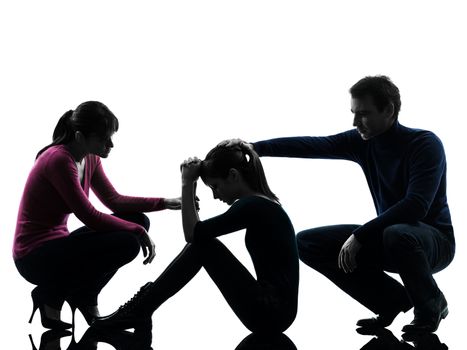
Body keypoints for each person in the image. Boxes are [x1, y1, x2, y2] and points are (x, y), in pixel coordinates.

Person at [222, 76, 455, 333]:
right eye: (354, 113)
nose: (355, 122)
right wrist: (255, 148)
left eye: (364, 114)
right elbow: (313, 145)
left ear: (389, 110)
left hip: (434, 243)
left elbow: (416, 206)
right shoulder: (361, 142)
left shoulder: (424, 144)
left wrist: (360, 235)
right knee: (307, 242)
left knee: (396, 232)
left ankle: (431, 303)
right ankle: (389, 301)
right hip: (391, 239)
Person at [93, 143, 299, 334]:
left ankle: (139, 310)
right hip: (275, 313)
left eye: (215, 186)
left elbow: (193, 234)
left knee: (204, 247)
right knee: (205, 244)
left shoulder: (254, 205)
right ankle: (142, 309)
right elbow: (197, 233)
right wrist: (190, 188)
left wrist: (187, 183)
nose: (216, 196)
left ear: (233, 176)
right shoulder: (265, 204)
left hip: (270, 313)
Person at [13, 101, 181, 329]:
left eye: (111, 137)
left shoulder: (89, 157)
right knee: (128, 242)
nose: (110, 144)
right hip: (34, 257)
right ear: (81, 136)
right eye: (104, 139)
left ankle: (85, 295)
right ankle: (50, 294)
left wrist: (165, 203)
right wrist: (137, 232)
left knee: (139, 220)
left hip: (60, 245)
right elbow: (88, 215)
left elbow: (114, 200)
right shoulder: (58, 159)